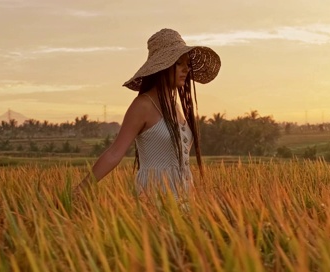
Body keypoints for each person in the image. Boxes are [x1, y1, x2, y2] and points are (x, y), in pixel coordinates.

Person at [73, 28, 221, 200]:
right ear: (163, 66)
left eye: (187, 63)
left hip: (184, 199)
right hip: (154, 197)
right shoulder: (142, 105)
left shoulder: (177, 107)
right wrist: (79, 190)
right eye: (178, 63)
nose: (186, 69)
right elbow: (114, 153)